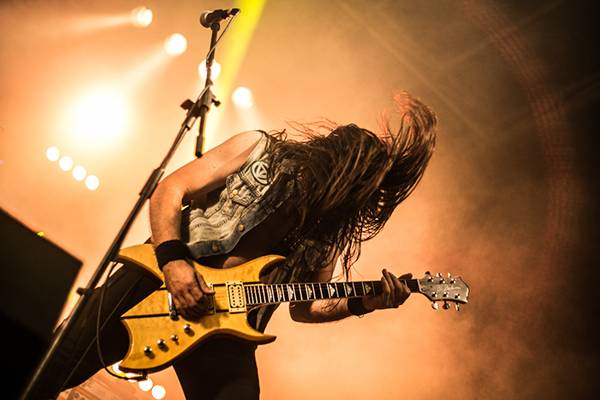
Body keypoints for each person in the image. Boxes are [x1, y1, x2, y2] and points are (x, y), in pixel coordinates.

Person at [39, 92, 436, 400]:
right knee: (47, 368)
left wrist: (363, 303)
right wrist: (174, 264)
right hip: (160, 280)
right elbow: (171, 189)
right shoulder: (257, 148)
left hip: (228, 326)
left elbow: (306, 306)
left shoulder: (330, 232)